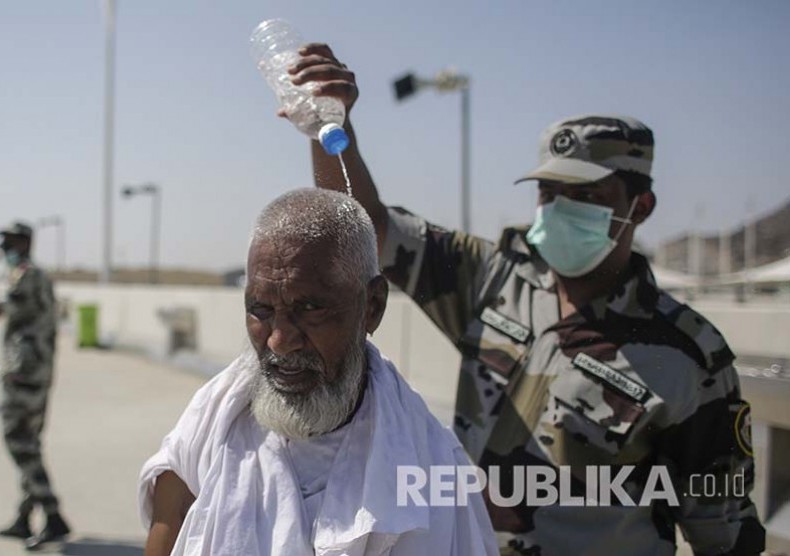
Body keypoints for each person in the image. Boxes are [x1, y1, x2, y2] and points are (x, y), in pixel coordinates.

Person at [292, 43, 766, 555]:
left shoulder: (689, 357)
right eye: (550, 193)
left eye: (586, 197)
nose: (561, 210)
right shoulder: (492, 279)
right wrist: (330, 126)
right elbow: (367, 227)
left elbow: (725, 535)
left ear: (640, 207)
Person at [138, 189, 498, 556]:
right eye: (260, 309)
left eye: (310, 308)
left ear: (371, 306)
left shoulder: (434, 466)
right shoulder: (209, 427)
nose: (279, 341)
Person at [0, 221, 71, 550]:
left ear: (24, 242)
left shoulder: (26, 274)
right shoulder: (36, 274)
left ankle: (53, 514)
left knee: (18, 440)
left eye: (8, 241)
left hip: (24, 373)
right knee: (29, 441)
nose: (3, 247)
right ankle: (25, 516)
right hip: (36, 370)